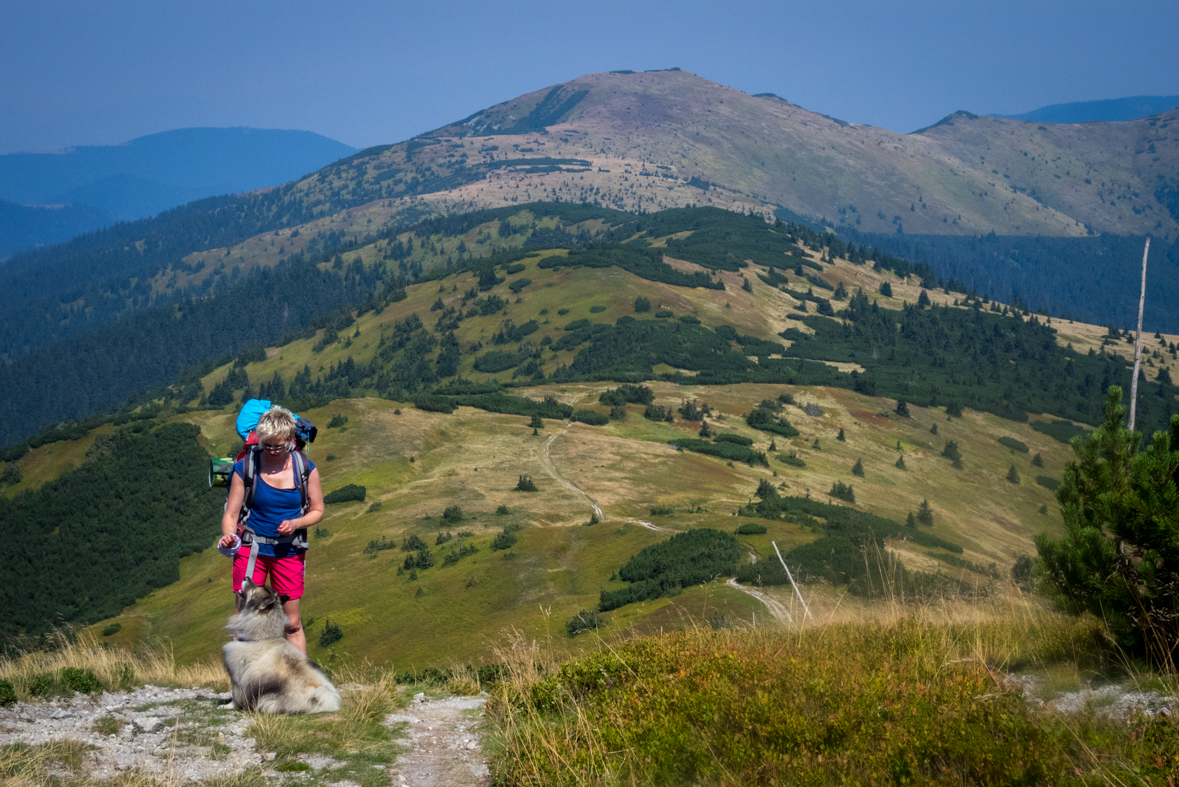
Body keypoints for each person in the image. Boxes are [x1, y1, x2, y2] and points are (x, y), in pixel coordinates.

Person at [219, 406, 324, 653]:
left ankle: (298, 684)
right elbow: (231, 515)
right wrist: (228, 536)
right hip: (250, 550)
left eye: (280, 445)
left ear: (290, 440)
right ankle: (245, 686)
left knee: (293, 624)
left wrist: (296, 523)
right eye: (268, 445)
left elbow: (318, 510)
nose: (274, 451)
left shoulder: (306, 468)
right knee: (245, 622)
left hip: (289, 551)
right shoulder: (245, 467)